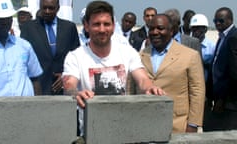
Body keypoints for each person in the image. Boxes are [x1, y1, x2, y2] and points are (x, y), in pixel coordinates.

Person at [62, 1, 165, 136]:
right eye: (96, 24)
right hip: (91, 132)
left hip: (124, 129)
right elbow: (69, 85)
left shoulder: (127, 52)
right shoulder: (75, 56)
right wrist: (76, 94)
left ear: (113, 25)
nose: (102, 29)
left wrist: (150, 87)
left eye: (106, 24)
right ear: (86, 26)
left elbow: (142, 79)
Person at [136, 14, 205, 133]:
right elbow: (130, 89)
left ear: (171, 31)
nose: (154, 32)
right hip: (143, 124)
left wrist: (193, 124)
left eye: (160, 28)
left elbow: (197, 92)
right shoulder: (139, 56)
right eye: (151, 29)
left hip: (177, 125)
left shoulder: (190, 56)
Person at [21, 0, 80, 95]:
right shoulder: (28, 28)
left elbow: (76, 57)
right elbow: (24, 58)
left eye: (51, 8)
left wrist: (65, 75)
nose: (47, 11)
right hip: (38, 88)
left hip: (64, 88)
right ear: (40, 7)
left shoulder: (69, 28)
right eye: (44, 8)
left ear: (58, 8)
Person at [0, 0, 42, 96]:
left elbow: (35, 79)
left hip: (26, 107)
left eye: (7, 18)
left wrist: (38, 107)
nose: (4, 22)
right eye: (0, 19)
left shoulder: (24, 46)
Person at [204, 7, 237, 131]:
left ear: (230, 20)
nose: (217, 23)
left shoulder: (233, 37)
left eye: (221, 21)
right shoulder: (222, 37)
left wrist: (223, 100)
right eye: (215, 21)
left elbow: (234, 73)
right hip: (218, 99)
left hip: (229, 103)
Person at [190, 14, 216, 81]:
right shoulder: (187, 45)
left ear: (205, 29)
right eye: (194, 28)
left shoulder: (212, 47)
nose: (196, 31)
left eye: (199, 27)